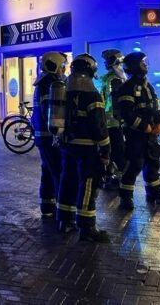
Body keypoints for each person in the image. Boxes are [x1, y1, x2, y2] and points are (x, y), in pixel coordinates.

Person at [57, 54, 112, 242]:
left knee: (68, 181)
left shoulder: (64, 92)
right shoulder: (92, 94)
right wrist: (106, 149)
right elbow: (99, 126)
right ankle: (87, 228)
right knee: (88, 185)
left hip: (67, 146)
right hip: (87, 149)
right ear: (90, 70)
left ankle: (65, 221)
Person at [116, 52, 160, 210]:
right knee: (134, 165)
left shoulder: (147, 86)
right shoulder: (127, 88)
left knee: (153, 163)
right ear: (134, 66)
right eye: (142, 63)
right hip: (135, 135)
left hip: (150, 135)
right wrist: (143, 126)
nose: (145, 65)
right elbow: (127, 113)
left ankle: (154, 194)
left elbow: (156, 107)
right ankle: (125, 198)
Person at [32, 51, 68, 222]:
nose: (63, 70)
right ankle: (62, 211)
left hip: (43, 137)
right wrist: (59, 133)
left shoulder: (43, 82)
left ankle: (47, 207)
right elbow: (52, 113)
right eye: (62, 66)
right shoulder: (51, 85)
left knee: (48, 171)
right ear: (54, 66)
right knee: (58, 172)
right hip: (50, 137)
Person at [98, 49, 127, 190]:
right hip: (112, 122)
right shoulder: (116, 77)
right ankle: (111, 175)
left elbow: (110, 102)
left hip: (112, 122)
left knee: (116, 151)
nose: (105, 63)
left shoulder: (113, 79)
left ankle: (118, 179)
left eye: (107, 60)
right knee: (113, 150)